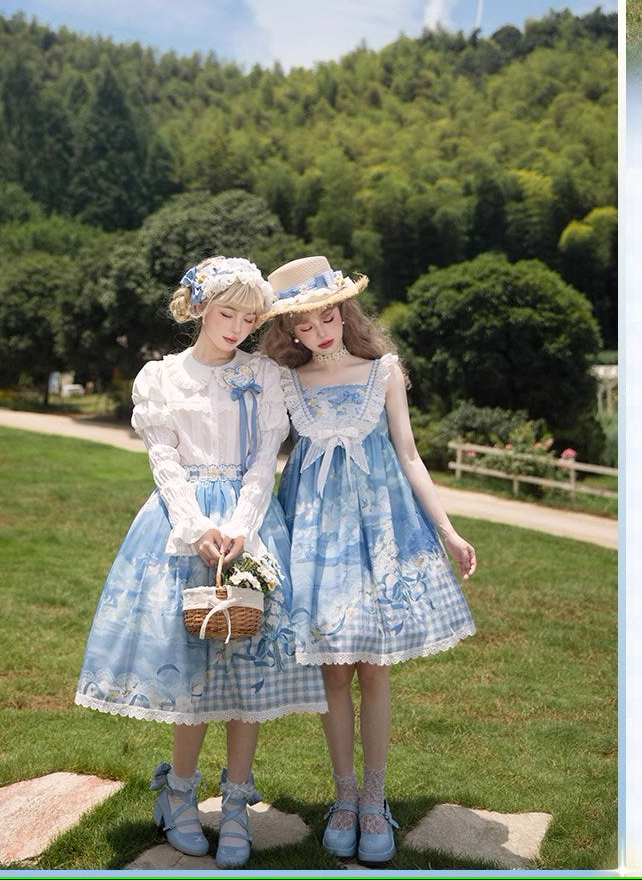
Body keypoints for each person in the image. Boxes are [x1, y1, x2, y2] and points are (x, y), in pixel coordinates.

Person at [75, 256, 327, 869]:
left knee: (246, 669)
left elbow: (265, 459)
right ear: (199, 309)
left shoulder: (265, 374)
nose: (236, 327)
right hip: (181, 526)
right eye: (226, 313)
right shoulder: (160, 377)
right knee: (192, 667)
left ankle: (236, 802)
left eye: (248, 317)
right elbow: (163, 461)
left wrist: (240, 526)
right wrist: (197, 528)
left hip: (251, 526)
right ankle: (179, 794)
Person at [260, 256, 477, 864]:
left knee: (375, 666)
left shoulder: (384, 370)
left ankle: (376, 800)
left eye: (327, 318)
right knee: (333, 668)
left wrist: (447, 530)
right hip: (315, 539)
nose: (320, 332)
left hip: (380, 529)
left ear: (343, 312)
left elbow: (409, 455)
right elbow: (260, 456)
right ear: (290, 330)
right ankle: (345, 797)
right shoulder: (287, 382)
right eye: (305, 325)